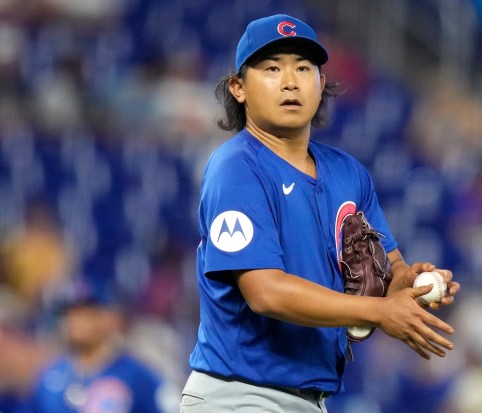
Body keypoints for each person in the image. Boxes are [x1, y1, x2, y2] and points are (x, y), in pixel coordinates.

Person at [181, 14, 460, 413]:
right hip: (239, 395)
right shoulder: (237, 168)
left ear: (321, 83)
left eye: (304, 67)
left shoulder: (347, 172)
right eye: (272, 67)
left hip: (311, 400)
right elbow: (266, 292)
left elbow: (390, 265)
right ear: (238, 88)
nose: (290, 81)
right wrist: (380, 311)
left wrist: (407, 285)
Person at [25, 280, 171, 413]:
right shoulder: (50, 375)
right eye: (71, 314)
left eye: (88, 313)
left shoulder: (139, 376)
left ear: (113, 318)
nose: (76, 322)